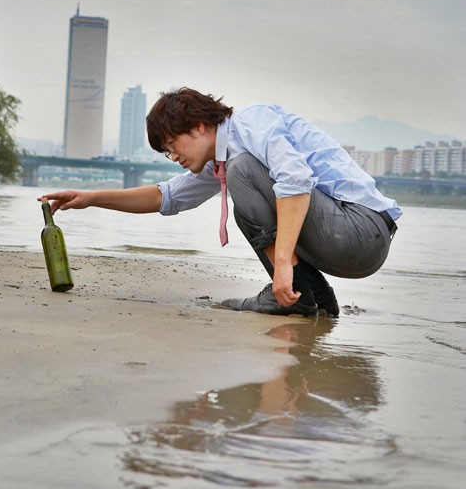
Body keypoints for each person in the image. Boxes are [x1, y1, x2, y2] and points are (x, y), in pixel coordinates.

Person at [40, 88, 401, 317]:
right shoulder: (219, 159)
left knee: (242, 171)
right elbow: (167, 196)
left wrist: (281, 264)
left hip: (361, 230)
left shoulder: (250, 123)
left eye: (171, 146)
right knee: (237, 172)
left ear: (197, 127)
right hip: (345, 242)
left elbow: (296, 180)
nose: (173, 157)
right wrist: (89, 198)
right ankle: (311, 298)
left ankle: (291, 288)